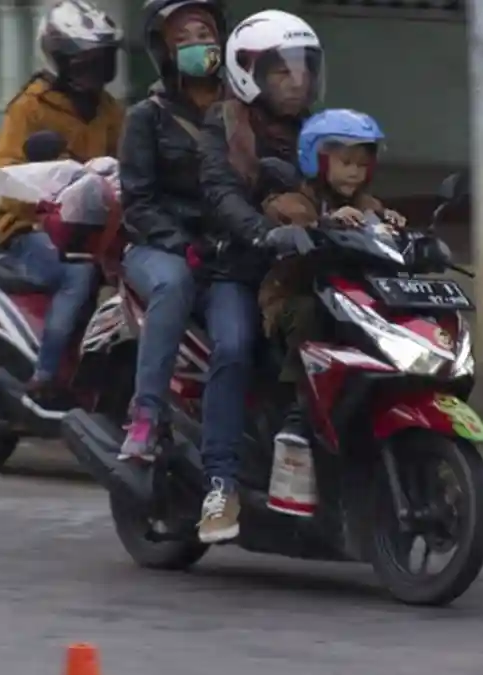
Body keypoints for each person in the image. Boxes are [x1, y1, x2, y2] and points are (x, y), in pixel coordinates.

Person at [191, 10, 325, 542]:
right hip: (237, 269)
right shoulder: (222, 127)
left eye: (304, 68)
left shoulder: (317, 129)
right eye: (281, 71)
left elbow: (344, 183)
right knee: (235, 347)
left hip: (300, 271)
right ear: (250, 73)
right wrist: (261, 232)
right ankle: (219, 484)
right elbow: (220, 193)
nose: (297, 81)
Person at [257, 109, 405, 485]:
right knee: (310, 314)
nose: (354, 172)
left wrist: (394, 223)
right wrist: (327, 222)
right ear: (317, 159)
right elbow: (289, 217)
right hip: (292, 298)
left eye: (362, 164)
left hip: (348, 302)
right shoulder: (296, 200)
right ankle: (298, 412)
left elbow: (380, 220)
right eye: (345, 163)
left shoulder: (367, 204)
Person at [0, 0, 125, 404]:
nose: (94, 71)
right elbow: (7, 170)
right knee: (79, 275)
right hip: (29, 229)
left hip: (97, 228)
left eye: (101, 61)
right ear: (61, 61)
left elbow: (126, 162)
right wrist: (57, 183)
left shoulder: (110, 111)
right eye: (85, 62)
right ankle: (48, 374)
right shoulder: (30, 106)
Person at [117, 0, 228, 463]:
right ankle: (146, 413)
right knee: (174, 282)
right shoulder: (147, 116)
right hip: (158, 246)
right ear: (163, 51)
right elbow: (137, 202)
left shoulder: (241, 108)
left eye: (205, 32)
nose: (198, 44)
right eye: (183, 38)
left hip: (228, 244)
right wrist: (181, 244)